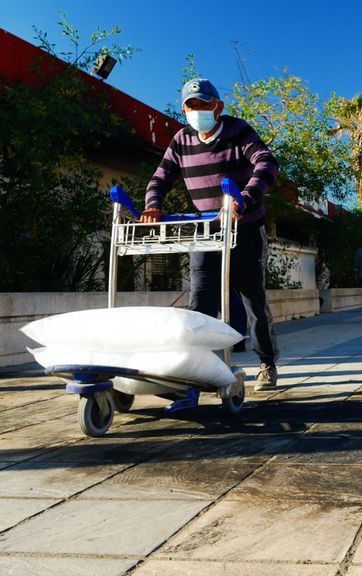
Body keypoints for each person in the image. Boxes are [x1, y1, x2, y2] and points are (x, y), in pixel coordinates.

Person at [141, 77, 281, 391]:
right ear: (184, 110)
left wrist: (244, 198)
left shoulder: (238, 131)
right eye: (191, 106)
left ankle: (266, 363)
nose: (197, 111)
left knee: (252, 301)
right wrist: (153, 205)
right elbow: (159, 179)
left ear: (218, 106)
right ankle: (195, 366)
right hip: (205, 231)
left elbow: (267, 163)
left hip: (244, 227)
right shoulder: (181, 140)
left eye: (204, 104)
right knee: (200, 300)